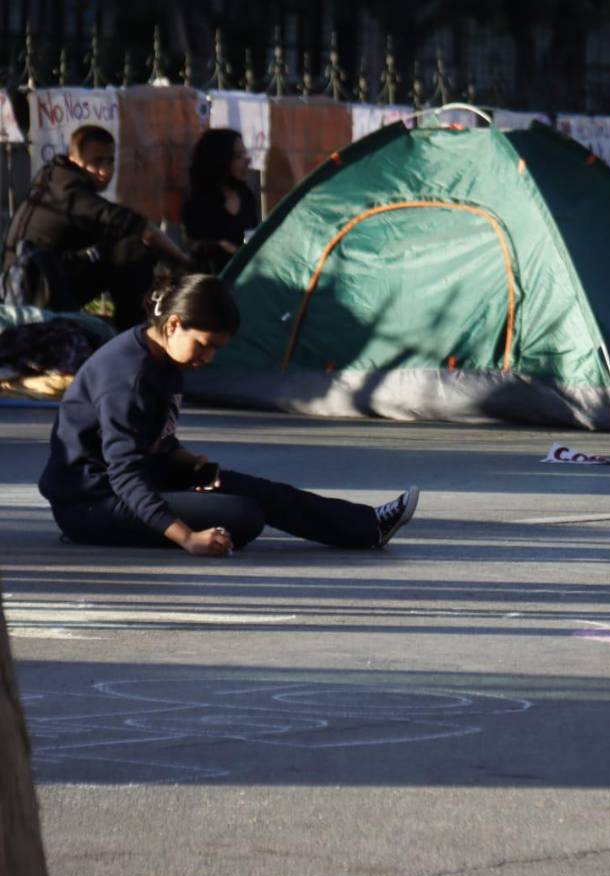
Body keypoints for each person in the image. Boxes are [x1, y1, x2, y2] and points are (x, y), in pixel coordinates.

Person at [38, 272, 419, 556]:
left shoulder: (163, 356)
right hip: (92, 503)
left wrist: (182, 458)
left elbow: (152, 437)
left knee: (255, 489)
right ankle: (119, 529)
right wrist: (189, 538)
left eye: (217, 349)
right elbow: (123, 473)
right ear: (173, 325)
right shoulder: (130, 375)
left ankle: (367, 526)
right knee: (244, 515)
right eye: (204, 346)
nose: (209, 358)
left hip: (135, 481)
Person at [1, 125, 191, 329]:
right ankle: (132, 331)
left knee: (120, 245)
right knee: (131, 249)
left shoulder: (54, 177)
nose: (105, 171)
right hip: (33, 291)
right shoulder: (72, 194)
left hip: (35, 280)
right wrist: (184, 261)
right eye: (97, 162)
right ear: (75, 160)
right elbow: (141, 227)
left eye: (110, 161)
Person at [182, 129, 260, 273]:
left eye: (244, 153)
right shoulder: (199, 203)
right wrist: (219, 247)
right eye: (238, 156)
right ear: (221, 161)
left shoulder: (246, 197)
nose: (247, 160)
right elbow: (191, 247)